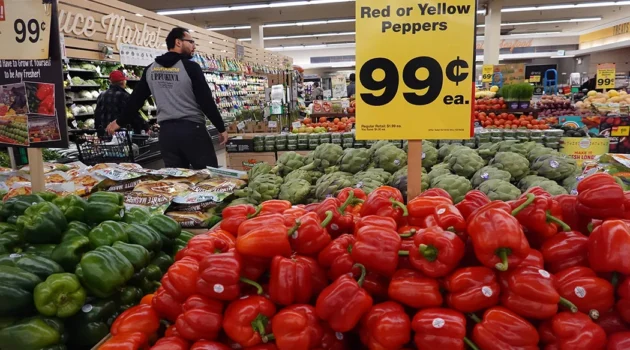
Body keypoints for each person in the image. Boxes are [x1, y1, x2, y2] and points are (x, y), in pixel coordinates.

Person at [106, 27, 228, 169]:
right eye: (191, 42)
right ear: (178, 42)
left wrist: (119, 122)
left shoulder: (151, 69)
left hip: (167, 135)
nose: (194, 46)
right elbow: (206, 101)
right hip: (193, 131)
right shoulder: (191, 68)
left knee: (176, 182)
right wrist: (221, 127)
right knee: (208, 177)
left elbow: (135, 100)